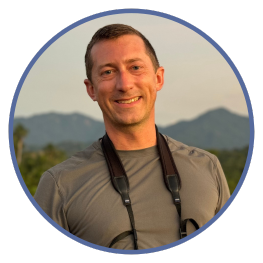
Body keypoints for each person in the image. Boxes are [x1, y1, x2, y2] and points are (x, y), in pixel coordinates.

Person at [34, 24, 230, 250]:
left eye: (135, 67)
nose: (125, 84)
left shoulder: (208, 168)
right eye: (108, 72)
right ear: (91, 89)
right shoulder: (60, 185)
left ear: (158, 78)